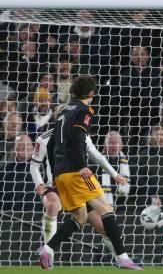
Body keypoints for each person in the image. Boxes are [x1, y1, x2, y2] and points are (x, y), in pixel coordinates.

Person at [37, 76, 141, 270]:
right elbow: (78, 137)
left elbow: (51, 144)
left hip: (61, 174)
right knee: (106, 211)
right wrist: (81, 165)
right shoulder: (84, 110)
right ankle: (123, 258)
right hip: (77, 172)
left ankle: (48, 249)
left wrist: (55, 175)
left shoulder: (62, 111)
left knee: (80, 217)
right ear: (91, 94)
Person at [30, 107, 125, 259]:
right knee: (53, 204)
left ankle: (120, 259)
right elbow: (34, 165)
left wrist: (114, 173)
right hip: (53, 187)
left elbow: (97, 155)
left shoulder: (81, 136)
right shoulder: (44, 139)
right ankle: (48, 258)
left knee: (101, 225)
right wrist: (39, 183)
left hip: (76, 186)